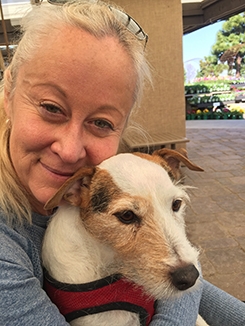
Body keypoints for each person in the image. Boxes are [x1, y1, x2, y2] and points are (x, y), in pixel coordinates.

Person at [0, 1, 244, 325]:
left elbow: (190, 283)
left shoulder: (111, 184)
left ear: (123, 127)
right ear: (8, 91)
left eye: (101, 122)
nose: (70, 151)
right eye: (51, 107)